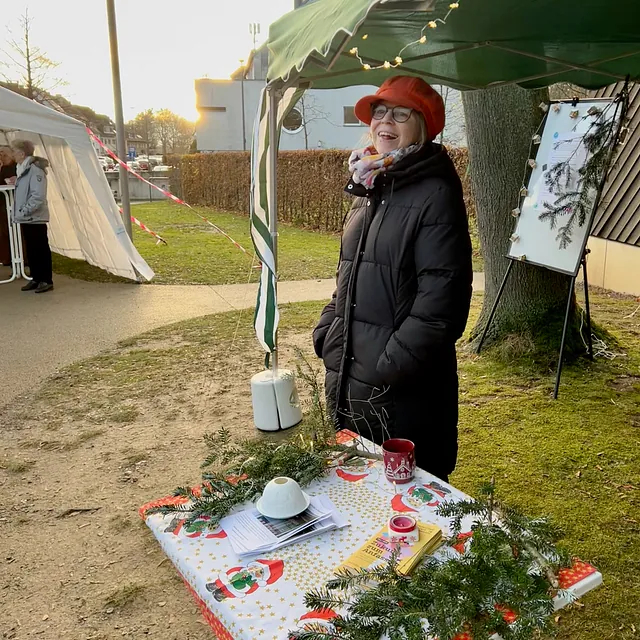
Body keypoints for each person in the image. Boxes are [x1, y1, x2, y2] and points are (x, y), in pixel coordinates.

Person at [313, 76, 473, 482]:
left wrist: (387, 367)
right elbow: (347, 278)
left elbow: (442, 305)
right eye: (380, 111)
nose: (386, 121)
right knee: (359, 499)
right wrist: (328, 332)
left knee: (408, 513)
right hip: (352, 381)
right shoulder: (371, 185)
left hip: (404, 395)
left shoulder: (434, 192)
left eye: (401, 113)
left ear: (423, 126)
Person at [10, 139, 53, 293]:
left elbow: (38, 196)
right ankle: (36, 278)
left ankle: (46, 279)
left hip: (34, 216)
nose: (12, 154)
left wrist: (23, 211)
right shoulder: (22, 168)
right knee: (32, 249)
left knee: (40, 248)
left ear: (22, 153)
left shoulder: (34, 170)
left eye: (14, 151)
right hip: (27, 217)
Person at [0, 145, 17, 266]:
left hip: (13, 203)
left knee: (15, 231)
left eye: (4, 154)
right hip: (2, 203)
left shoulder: (15, 167)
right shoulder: (3, 168)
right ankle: (7, 257)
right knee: (4, 231)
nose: (2, 156)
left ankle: (19, 257)